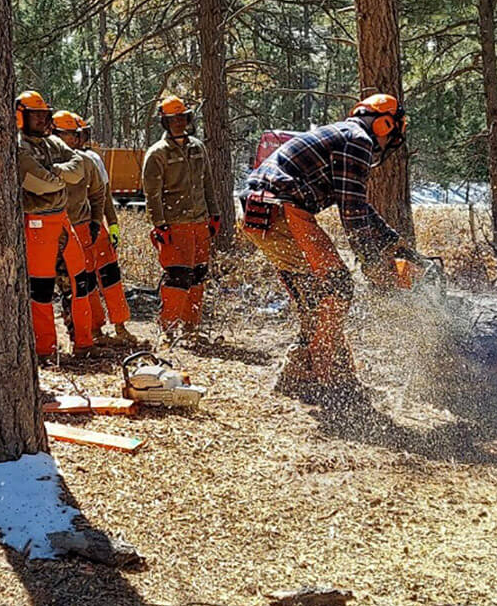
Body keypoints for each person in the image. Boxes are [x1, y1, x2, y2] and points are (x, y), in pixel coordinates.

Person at [241, 93, 414, 403]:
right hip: (283, 209)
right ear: (386, 124)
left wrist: (392, 241)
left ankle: (309, 375)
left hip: (260, 214)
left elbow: (358, 205)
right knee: (336, 288)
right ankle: (328, 383)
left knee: (315, 297)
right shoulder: (358, 140)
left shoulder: (342, 137)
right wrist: (371, 261)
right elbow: (352, 211)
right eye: (393, 133)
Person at [16, 91, 94, 359]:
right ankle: (44, 349)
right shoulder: (17, 147)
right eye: (34, 114)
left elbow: (78, 165)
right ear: (21, 116)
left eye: (43, 114)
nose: (40, 119)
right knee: (40, 289)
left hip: (61, 220)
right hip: (36, 224)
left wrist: (57, 173)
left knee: (77, 281)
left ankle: (83, 342)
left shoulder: (52, 143)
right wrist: (59, 178)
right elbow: (38, 182)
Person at [54, 112, 136, 345]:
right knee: (85, 282)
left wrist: (110, 223)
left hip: (92, 225)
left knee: (110, 277)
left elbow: (102, 194)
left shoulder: (89, 160)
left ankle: (120, 324)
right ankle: (94, 330)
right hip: (69, 231)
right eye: (73, 135)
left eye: (79, 135)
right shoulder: (48, 162)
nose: (79, 140)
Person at [142, 95, 221, 334]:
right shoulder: (157, 153)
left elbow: (207, 183)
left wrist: (214, 213)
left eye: (182, 118)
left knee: (198, 274)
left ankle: (190, 327)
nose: (179, 123)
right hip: (175, 223)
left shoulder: (197, 147)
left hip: (200, 221)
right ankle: (167, 329)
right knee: (178, 276)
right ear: (165, 121)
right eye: (173, 119)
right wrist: (159, 225)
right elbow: (152, 194)